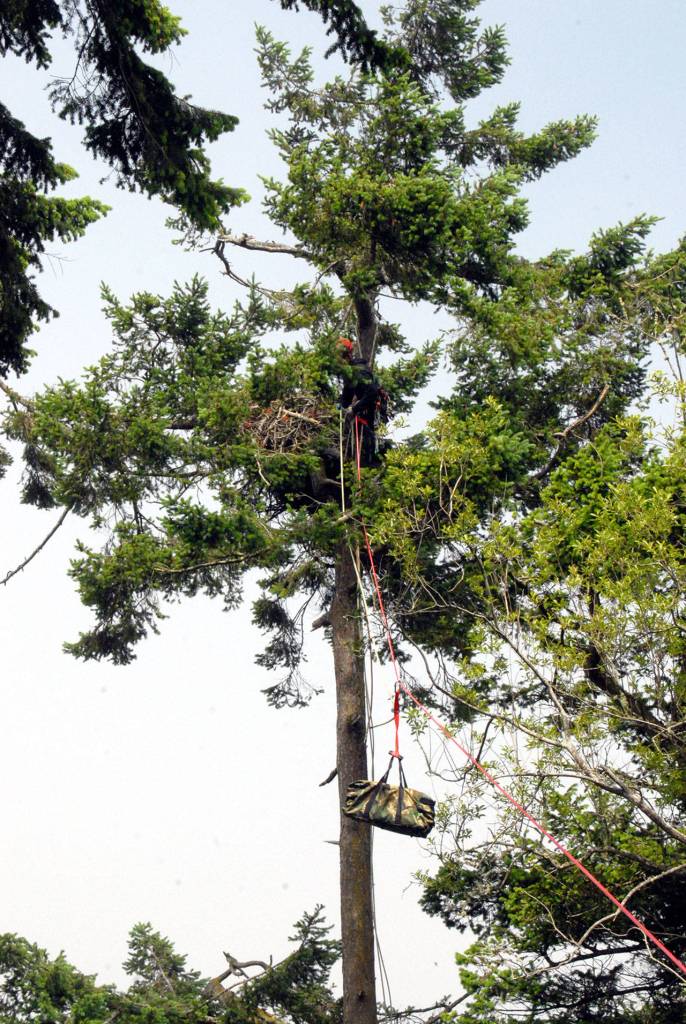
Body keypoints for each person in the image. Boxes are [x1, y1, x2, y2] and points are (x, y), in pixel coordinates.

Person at [337, 337, 387, 467]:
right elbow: (347, 395)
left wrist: (354, 409)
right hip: (363, 408)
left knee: (366, 440)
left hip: (370, 409)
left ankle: (371, 466)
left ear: (346, 356)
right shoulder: (349, 372)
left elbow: (371, 393)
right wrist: (341, 405)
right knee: (359, 439)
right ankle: (364, 465)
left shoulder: (359, 370)